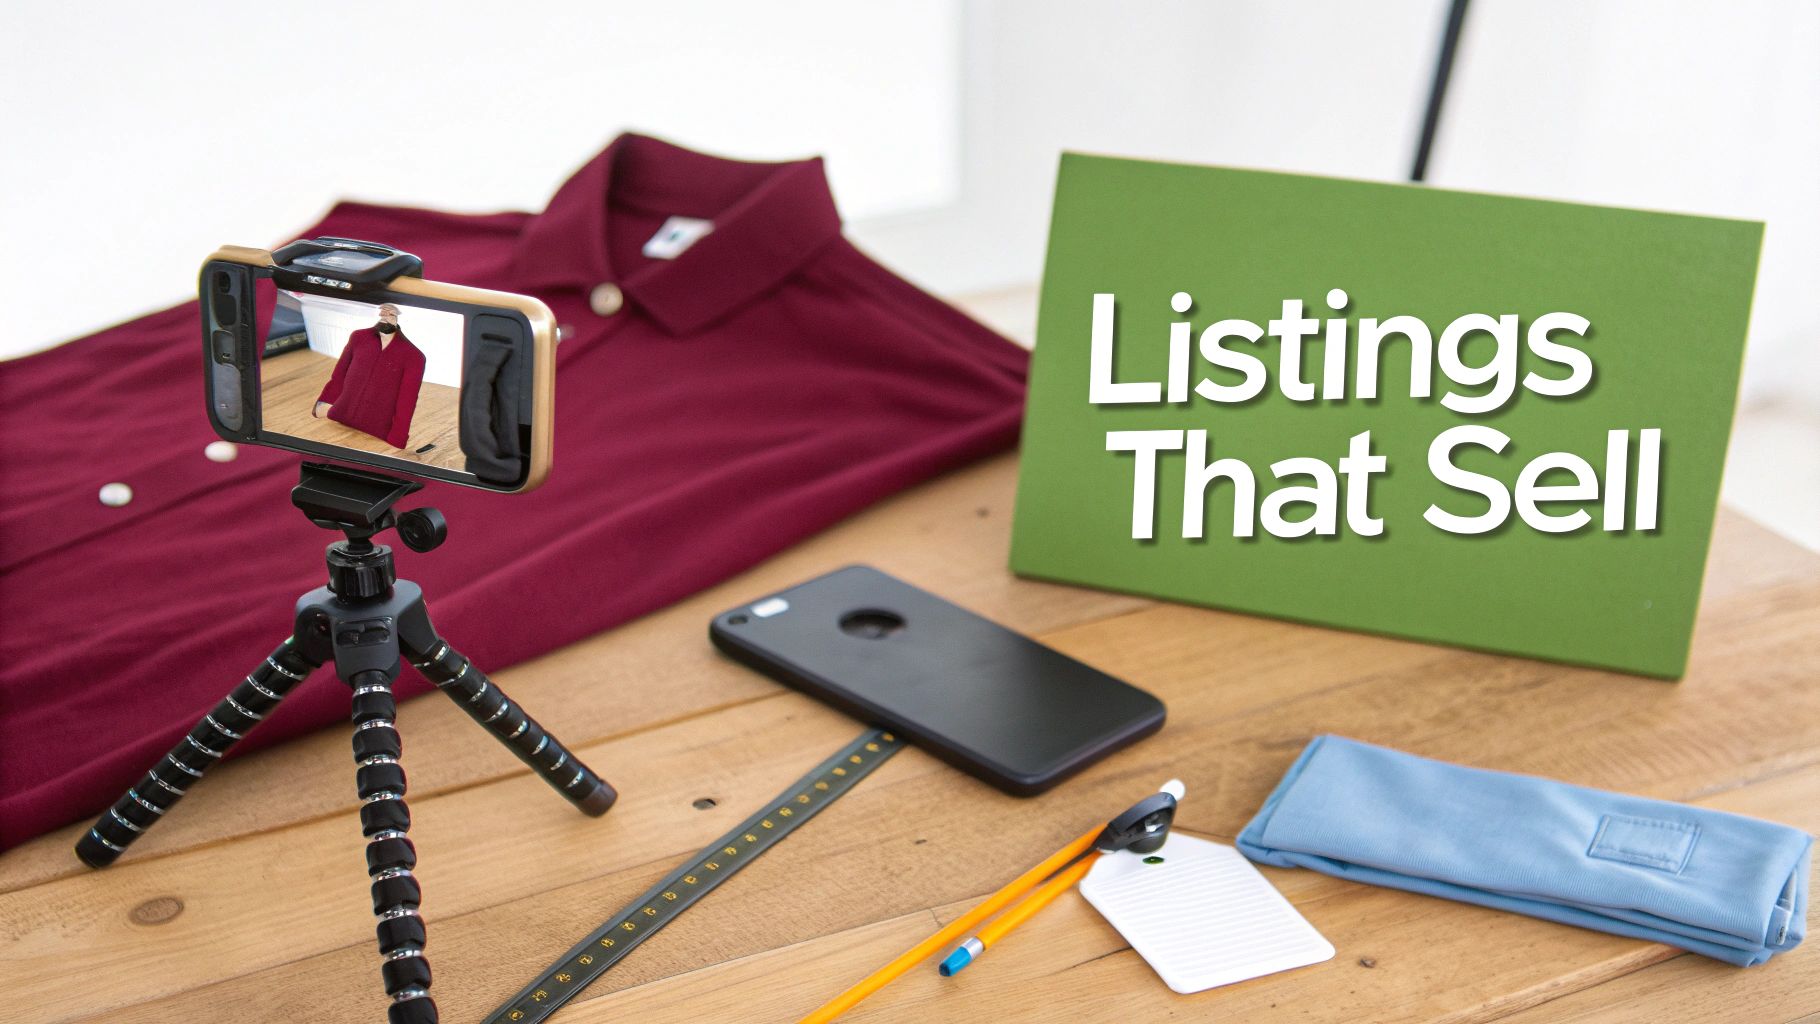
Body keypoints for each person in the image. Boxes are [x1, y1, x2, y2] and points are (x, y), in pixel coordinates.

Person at [312, 303, 425, 449]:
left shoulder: (414, 356)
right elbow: (339, 376)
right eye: (383, 312)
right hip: (340, 418)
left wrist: (398, 438)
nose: (385, 316)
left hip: (378, 433)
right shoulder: (358, 337)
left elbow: (407, 401)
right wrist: (323, 405)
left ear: (397, 318)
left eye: (390, 314)